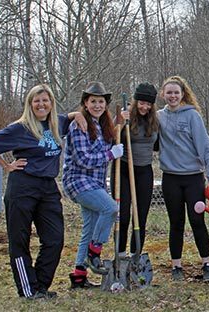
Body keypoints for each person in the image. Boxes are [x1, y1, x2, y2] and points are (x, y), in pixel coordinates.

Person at [0, 84, 86, 299]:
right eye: (36, 101)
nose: (41, 104)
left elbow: (73, 115)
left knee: (55, 239)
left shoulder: (57, 123)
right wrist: (6, 166)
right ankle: (28, 290)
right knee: (20, 239)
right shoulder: (20, 128)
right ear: (30, 104)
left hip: (48, 187)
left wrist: (79, 116)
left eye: (45, 100)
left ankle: (40, 286)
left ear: (51, 103)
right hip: (23, 186)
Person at [157, 76, 209, 282]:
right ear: (163, 95)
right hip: (171, 179)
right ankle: (176, 266)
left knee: (197, 221)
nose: (173, 96)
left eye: (176, 92)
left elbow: (204, 146)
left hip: (193, 179)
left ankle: (207, 263)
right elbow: (143, 130)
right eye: (169, 92)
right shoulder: (158, 117)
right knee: (176, 223)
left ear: (183, 94)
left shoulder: (193, 116)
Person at [63, 81, 123, 288]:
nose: (97, 105)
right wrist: (110, 154)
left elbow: (108, 140)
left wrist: (118, 125)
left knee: (88, 228)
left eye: (101, 102)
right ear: (85, 104)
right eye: (93, 101)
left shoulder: (103, 125)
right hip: (78, 180)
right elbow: (84, 159)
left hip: (95, 183)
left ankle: (79, 276)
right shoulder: (78, 125)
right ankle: (94, 251)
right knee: (110, 208)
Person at [112, 82, 159, 258]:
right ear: (135, 101)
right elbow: (110, 138)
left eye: (148, 104)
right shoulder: (124, 117)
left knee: (140, 216)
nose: (144, 107)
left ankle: (135, 255)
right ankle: (120, 254)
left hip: (144, 171)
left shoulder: (155, 121)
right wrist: (117, 122)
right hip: (123, 169)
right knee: (122, 216)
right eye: (141, 102)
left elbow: (158, 145)